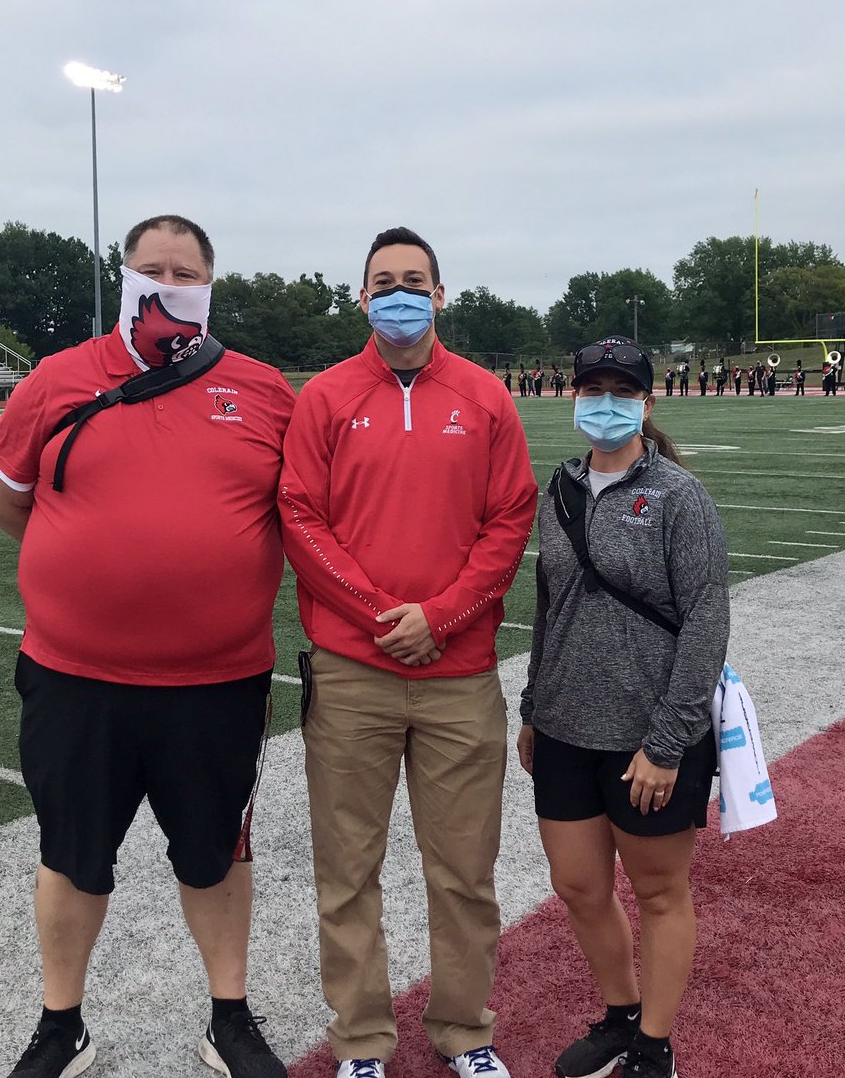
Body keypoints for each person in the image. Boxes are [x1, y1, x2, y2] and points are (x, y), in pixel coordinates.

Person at [0, 215, 294, 1078]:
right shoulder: (57, 379)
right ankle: (60, 1026)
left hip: (218, 680)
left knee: (216, 852)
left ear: (209, 282)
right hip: (75, 675)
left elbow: (296, 513)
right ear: (122, 276)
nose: (167, 280)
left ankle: (229, 1018)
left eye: (184, 270)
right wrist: (88, 565)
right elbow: (6, 502)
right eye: (149, 267)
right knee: (71, 853)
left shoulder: (264, 389)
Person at [278, 226, 538, 1078]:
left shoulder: (486, 396)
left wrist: (446, 614)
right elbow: (300, 516)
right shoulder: (323, 397)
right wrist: (385, 611)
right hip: (354, 673)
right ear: (361, 297)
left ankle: (465, 1031)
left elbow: (510, 520)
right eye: (382, 281)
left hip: (460, 677)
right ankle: (360, 1042)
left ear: (439, 295)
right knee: (347, 870)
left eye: (414, 280)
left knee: (464, 871)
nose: (399, 293)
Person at [517, 335, 729, 1078]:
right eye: (592, 387)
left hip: (650, 736)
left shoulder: (678, 495)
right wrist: (532, 705)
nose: (605, 401)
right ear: (573, 394)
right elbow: (550, 606)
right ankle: (620, 1014)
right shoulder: (561, 487)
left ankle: (655, 1047)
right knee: (578, 886)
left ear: (646, 400)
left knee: (661, 892)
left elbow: (706, 621)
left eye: (622, 389)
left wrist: (668, 744)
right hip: (567, 728)